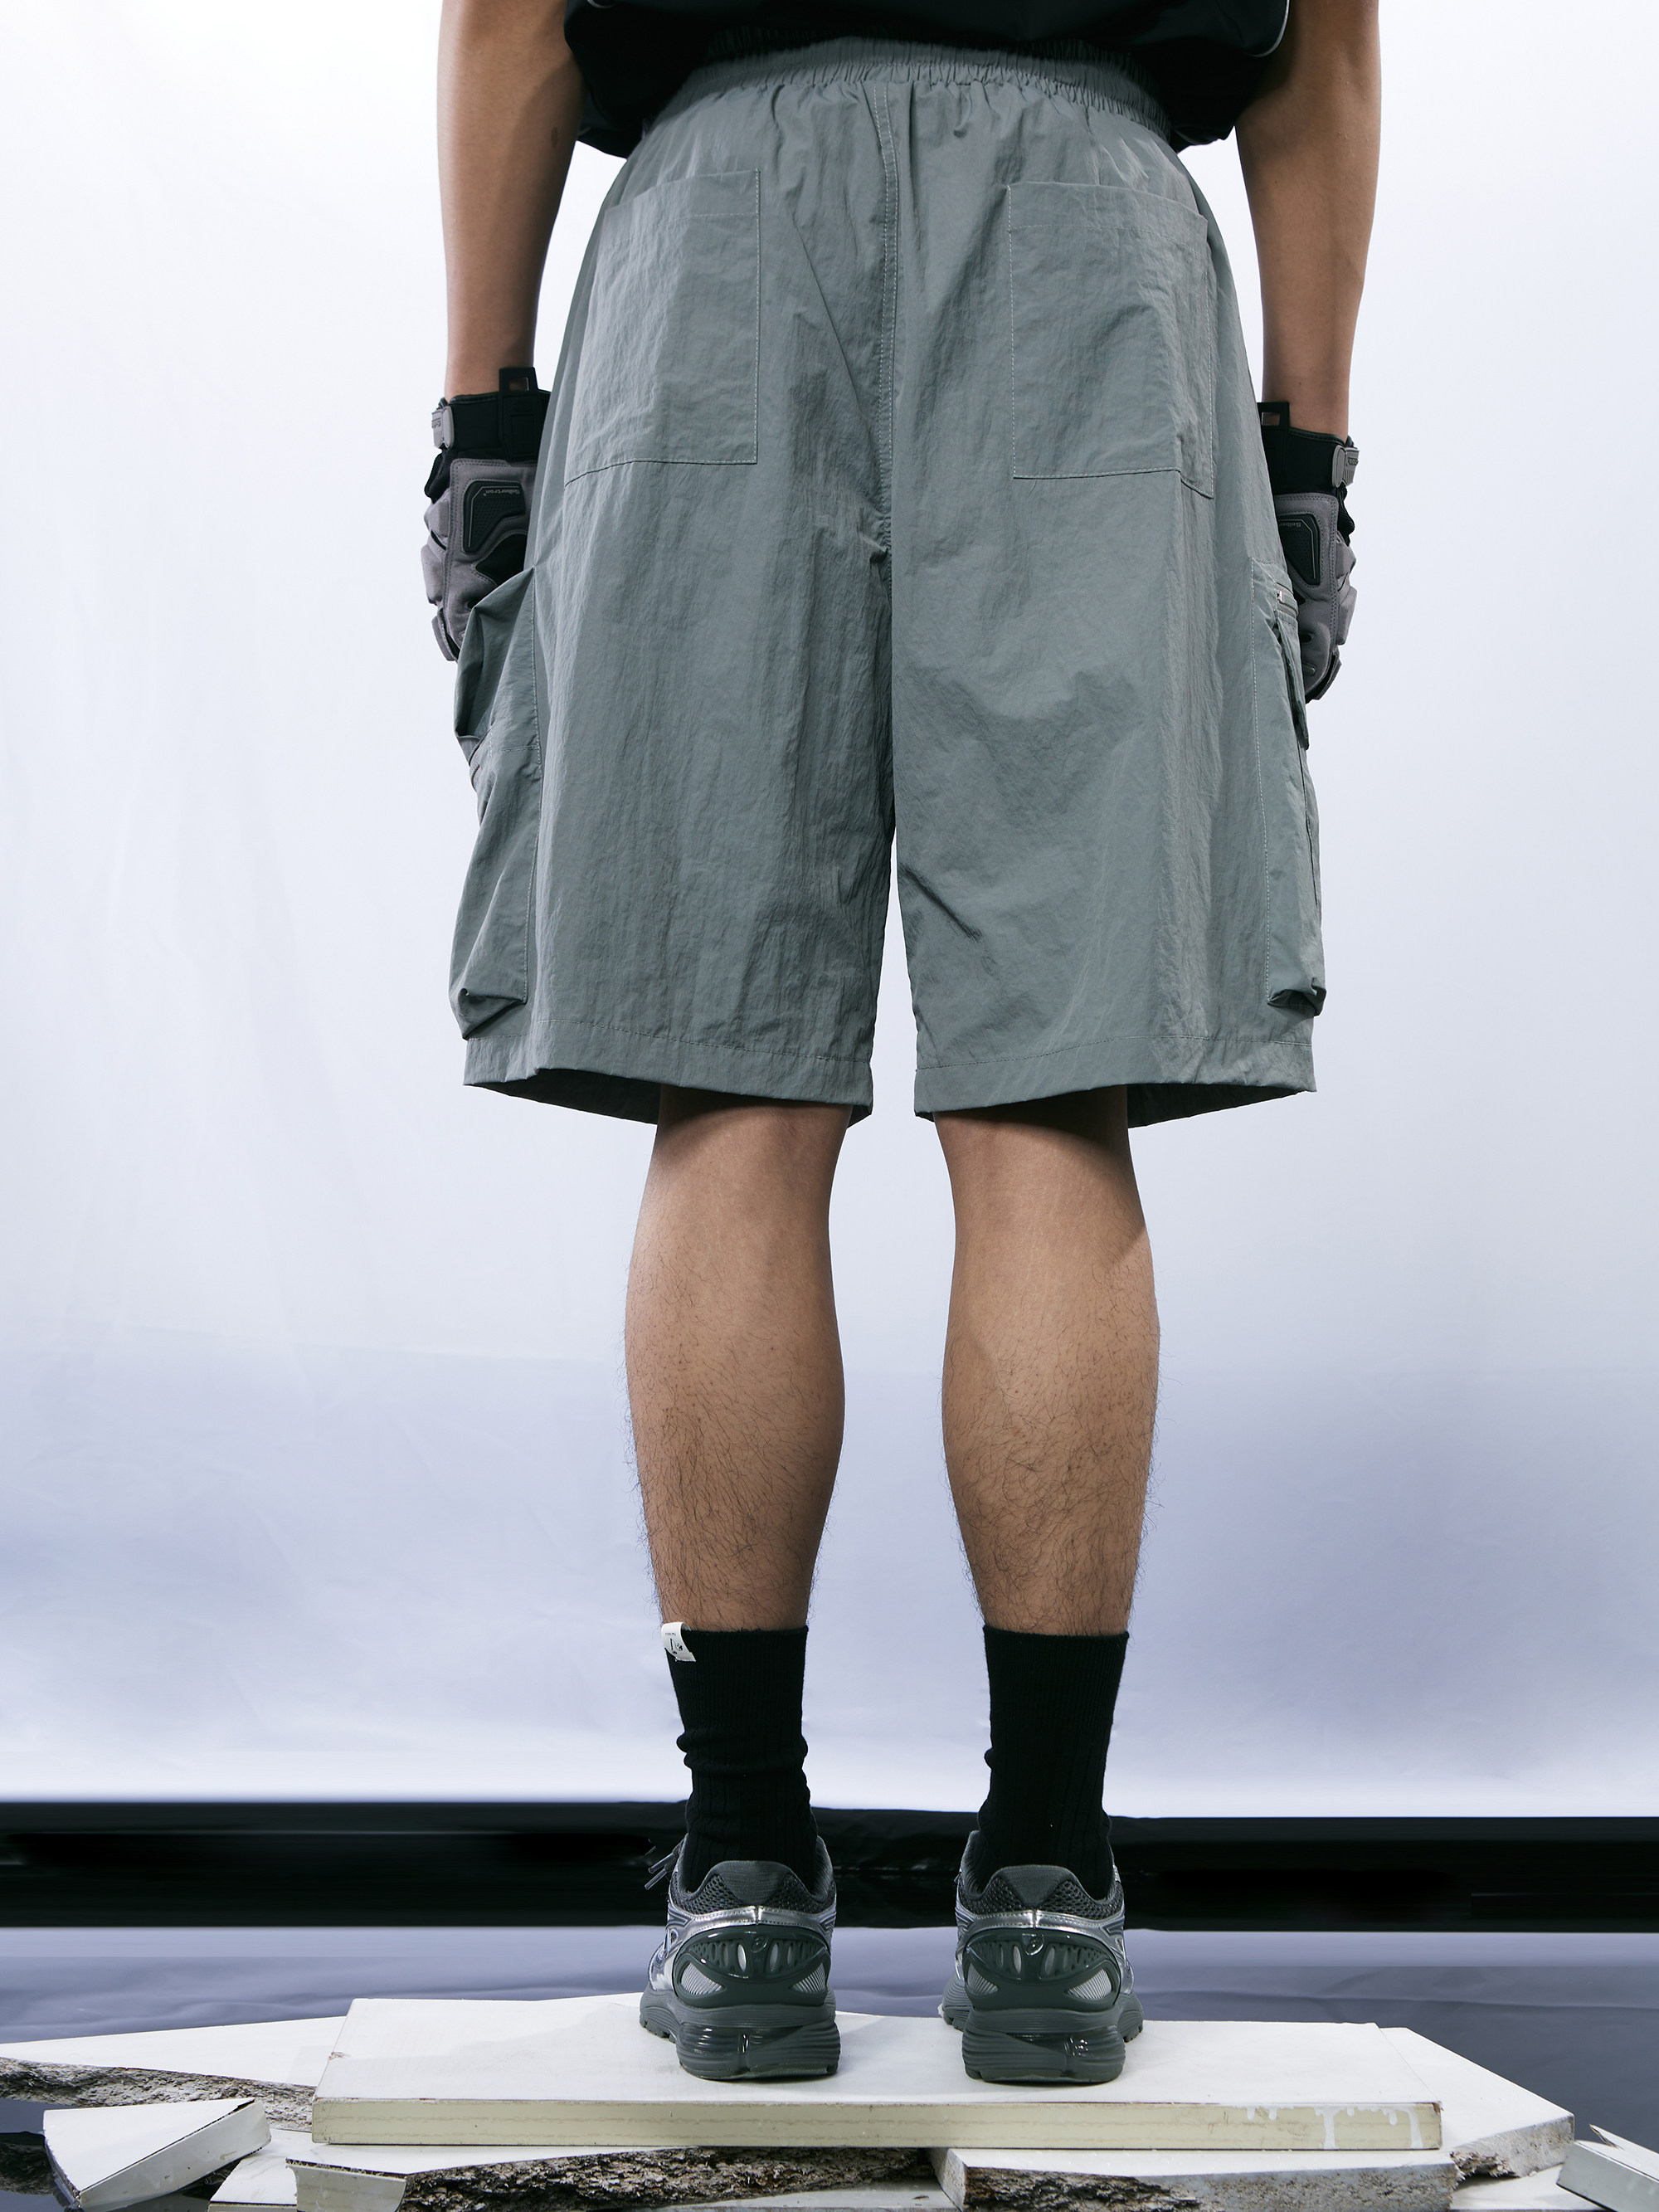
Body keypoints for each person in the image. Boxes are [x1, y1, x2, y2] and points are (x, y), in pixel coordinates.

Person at [423, 0, 1378, 2089]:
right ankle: (1040, 1885)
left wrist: (485, 406)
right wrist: (1307, 446)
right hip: (1089, 256)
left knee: (732, 1088)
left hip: (719, 242)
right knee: (1046, 1094)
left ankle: (747, 1873)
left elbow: (510, 10)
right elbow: (1322, 36)